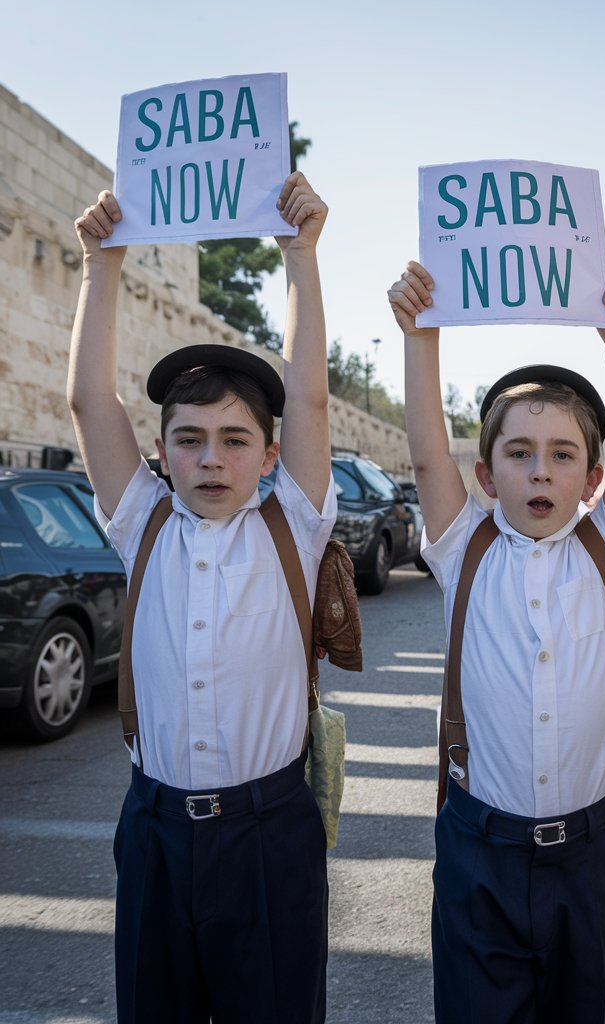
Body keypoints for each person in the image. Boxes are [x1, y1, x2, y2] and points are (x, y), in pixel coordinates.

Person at [67, 174, 334, 1024]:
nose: (211, 459)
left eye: (234, 440)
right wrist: (99, 266)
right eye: (190, 440)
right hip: (155, 833)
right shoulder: (141, 522)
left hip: (271, 834)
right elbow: (85, 400)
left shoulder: (292, 525)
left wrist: (301, 258)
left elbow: (312, 392)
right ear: (161, 452)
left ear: (268, 454)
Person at [387, 260, 605, 1024]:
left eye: (563, 454)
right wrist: (420, 337)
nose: (541, 470)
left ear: (592, 478)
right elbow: (425, 452)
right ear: (486, 472)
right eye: (519, 453)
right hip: (481, 850)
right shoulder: (462, 545)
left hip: (592, 852)